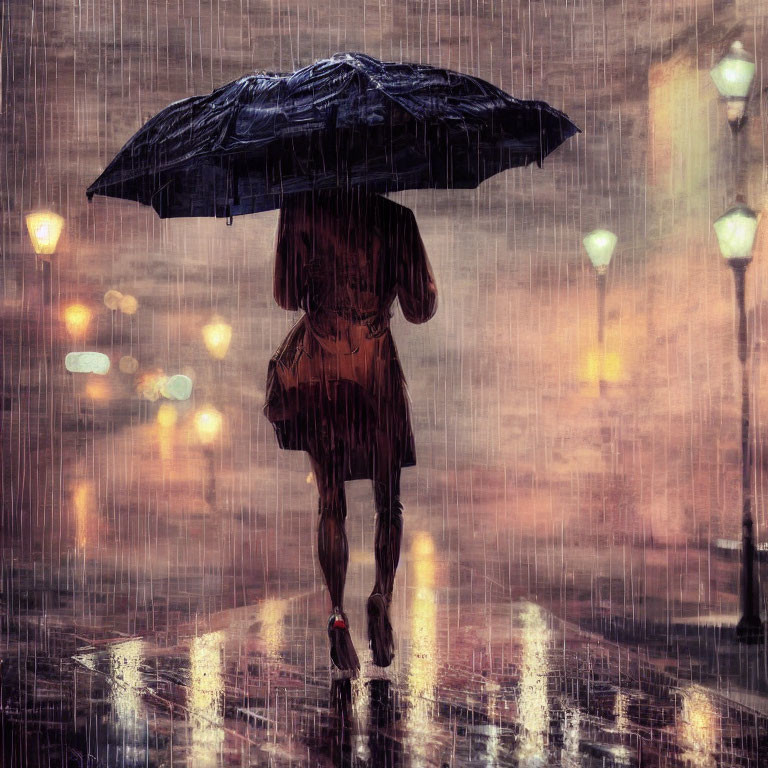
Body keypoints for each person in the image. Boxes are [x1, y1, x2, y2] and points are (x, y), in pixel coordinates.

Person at [264, 188, 437, 671]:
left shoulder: (301, 208)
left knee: (331, 501)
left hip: (322, 373)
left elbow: (284, 297)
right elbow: (421, 307)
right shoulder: (398, 219)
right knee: (389, 500)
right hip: (376, 370)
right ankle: (381, 594)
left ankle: (337, 612)